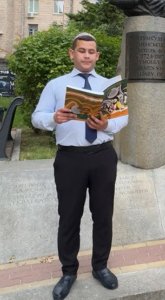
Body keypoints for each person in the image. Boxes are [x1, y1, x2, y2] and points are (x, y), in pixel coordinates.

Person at [32, 32, 128, 300]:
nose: (87, 55)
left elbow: (122, 119)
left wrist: (106, 124)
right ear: (72, 54)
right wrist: (54, 117)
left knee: (102, 215)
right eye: (82, 51)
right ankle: (68, 272)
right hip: (70, 159)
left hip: (102, 157)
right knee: (69, 216)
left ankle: (100, 267)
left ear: (97, 56)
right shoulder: (56, 85)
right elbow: (36, 117)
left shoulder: (110, 86)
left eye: (91, 51)